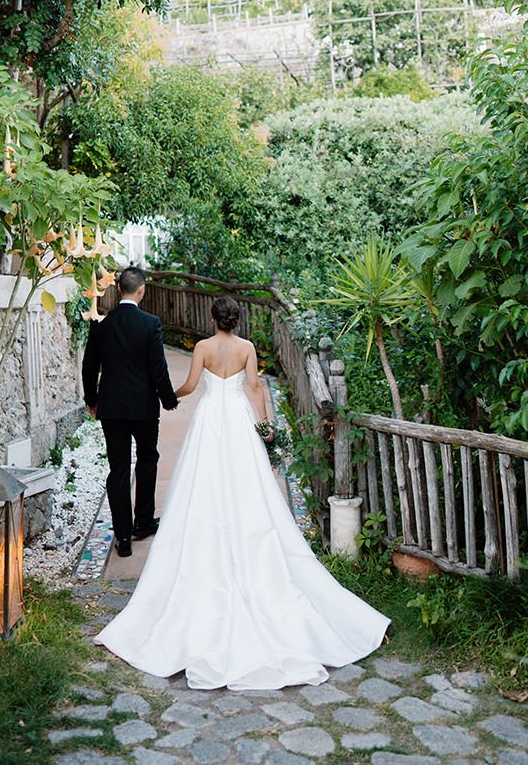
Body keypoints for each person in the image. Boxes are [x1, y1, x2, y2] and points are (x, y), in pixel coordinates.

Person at [95, 294, 390, 689]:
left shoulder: (202, 347)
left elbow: (191, 385)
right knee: (249, 490)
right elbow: (254, 388)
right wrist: (265, 427)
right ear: (236, 320)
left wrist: (167, 395)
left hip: (209, 421)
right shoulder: (247, 348)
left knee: (202, 488)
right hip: (237, 420)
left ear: (213, 319)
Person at [81, 266, 178, 558]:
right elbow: (158, 368)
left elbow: (89, 366)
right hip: (143, 406)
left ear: (118, 288)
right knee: (147, 459)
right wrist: (168, 399)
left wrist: (91, 399)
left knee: (119, 468)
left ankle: (123, 536)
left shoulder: (101, 323)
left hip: (111, 407)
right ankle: (143, 522)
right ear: (141, 290)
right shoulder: (150, 324)